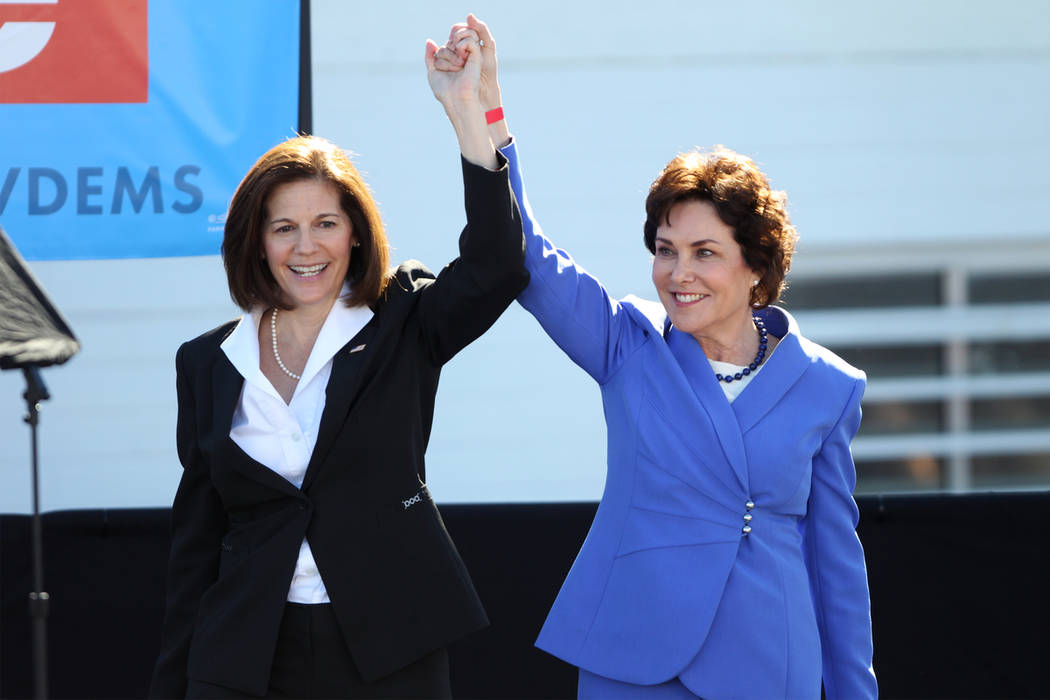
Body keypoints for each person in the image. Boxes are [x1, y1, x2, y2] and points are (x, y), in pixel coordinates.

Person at [435, 17, 877, 699]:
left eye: (705, 253)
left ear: (758, 269)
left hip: (766, 665)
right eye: (666, 250)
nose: (679, 274)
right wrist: (482, 111)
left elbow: (837, 566)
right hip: (632, 659)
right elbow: (526, 253)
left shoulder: (827, 387)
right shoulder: (626, 343)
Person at [148, 31, 527, 699]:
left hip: (389, 649)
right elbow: (196, 546)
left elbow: (498, 265)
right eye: (283, 227)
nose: (306, 247)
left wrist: (467, 110)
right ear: (256, 242)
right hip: (246, 655)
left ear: (355, 232)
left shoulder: (403, 320)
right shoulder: (207, 362)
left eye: (326, 222)